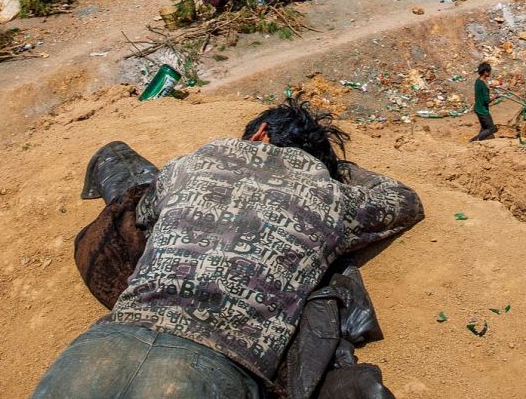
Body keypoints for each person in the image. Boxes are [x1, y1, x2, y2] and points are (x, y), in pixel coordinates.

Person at [33, 99, 423, 399]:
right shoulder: (332, 197)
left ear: (259, 133)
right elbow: (403, 200)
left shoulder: (193, 163)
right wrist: (333, 168)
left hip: (104, 345)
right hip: (215, 367)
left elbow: (145, 212)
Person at [470, 63, 496, 142]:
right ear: (485, 72)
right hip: (483, 110)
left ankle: (478, 141)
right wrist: (495, 97)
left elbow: (483, 87)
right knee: (491, 129)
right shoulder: (483, 85)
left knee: (484, 127)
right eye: (489, 71)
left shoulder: (478, 81)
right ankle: (473, 141)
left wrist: (490, 87)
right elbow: (487, 101)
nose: (490, 73)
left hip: (478, 108)